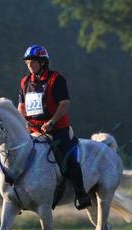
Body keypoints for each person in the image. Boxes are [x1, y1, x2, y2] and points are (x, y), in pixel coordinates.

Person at [17, 44, 91, 210]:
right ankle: (18, 195)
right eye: (27, 62)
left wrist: (51, 122)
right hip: (32, 130)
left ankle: (81, 194)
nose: (29, 65)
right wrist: (24, 121)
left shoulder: (56, 79)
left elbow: (64, 103)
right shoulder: (24, 81)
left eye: (33, 62)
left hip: (57, 128)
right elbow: (21, 106)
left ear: (43, 62)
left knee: (65, 157)